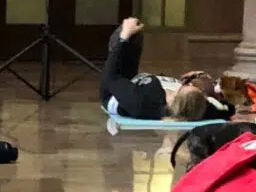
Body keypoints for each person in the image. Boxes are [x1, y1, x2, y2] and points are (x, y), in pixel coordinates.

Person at [100, 17, 233, 122]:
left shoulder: (142, 102)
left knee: (131, 34)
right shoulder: (204, 110)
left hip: (114, 91)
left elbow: (111, 77)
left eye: (185, 86)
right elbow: (228, 109)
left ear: (174, 98)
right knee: (136, 33)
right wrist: (207, 81)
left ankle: (120, 42)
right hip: (141, 83)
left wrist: (124, 37)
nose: (188, 83)